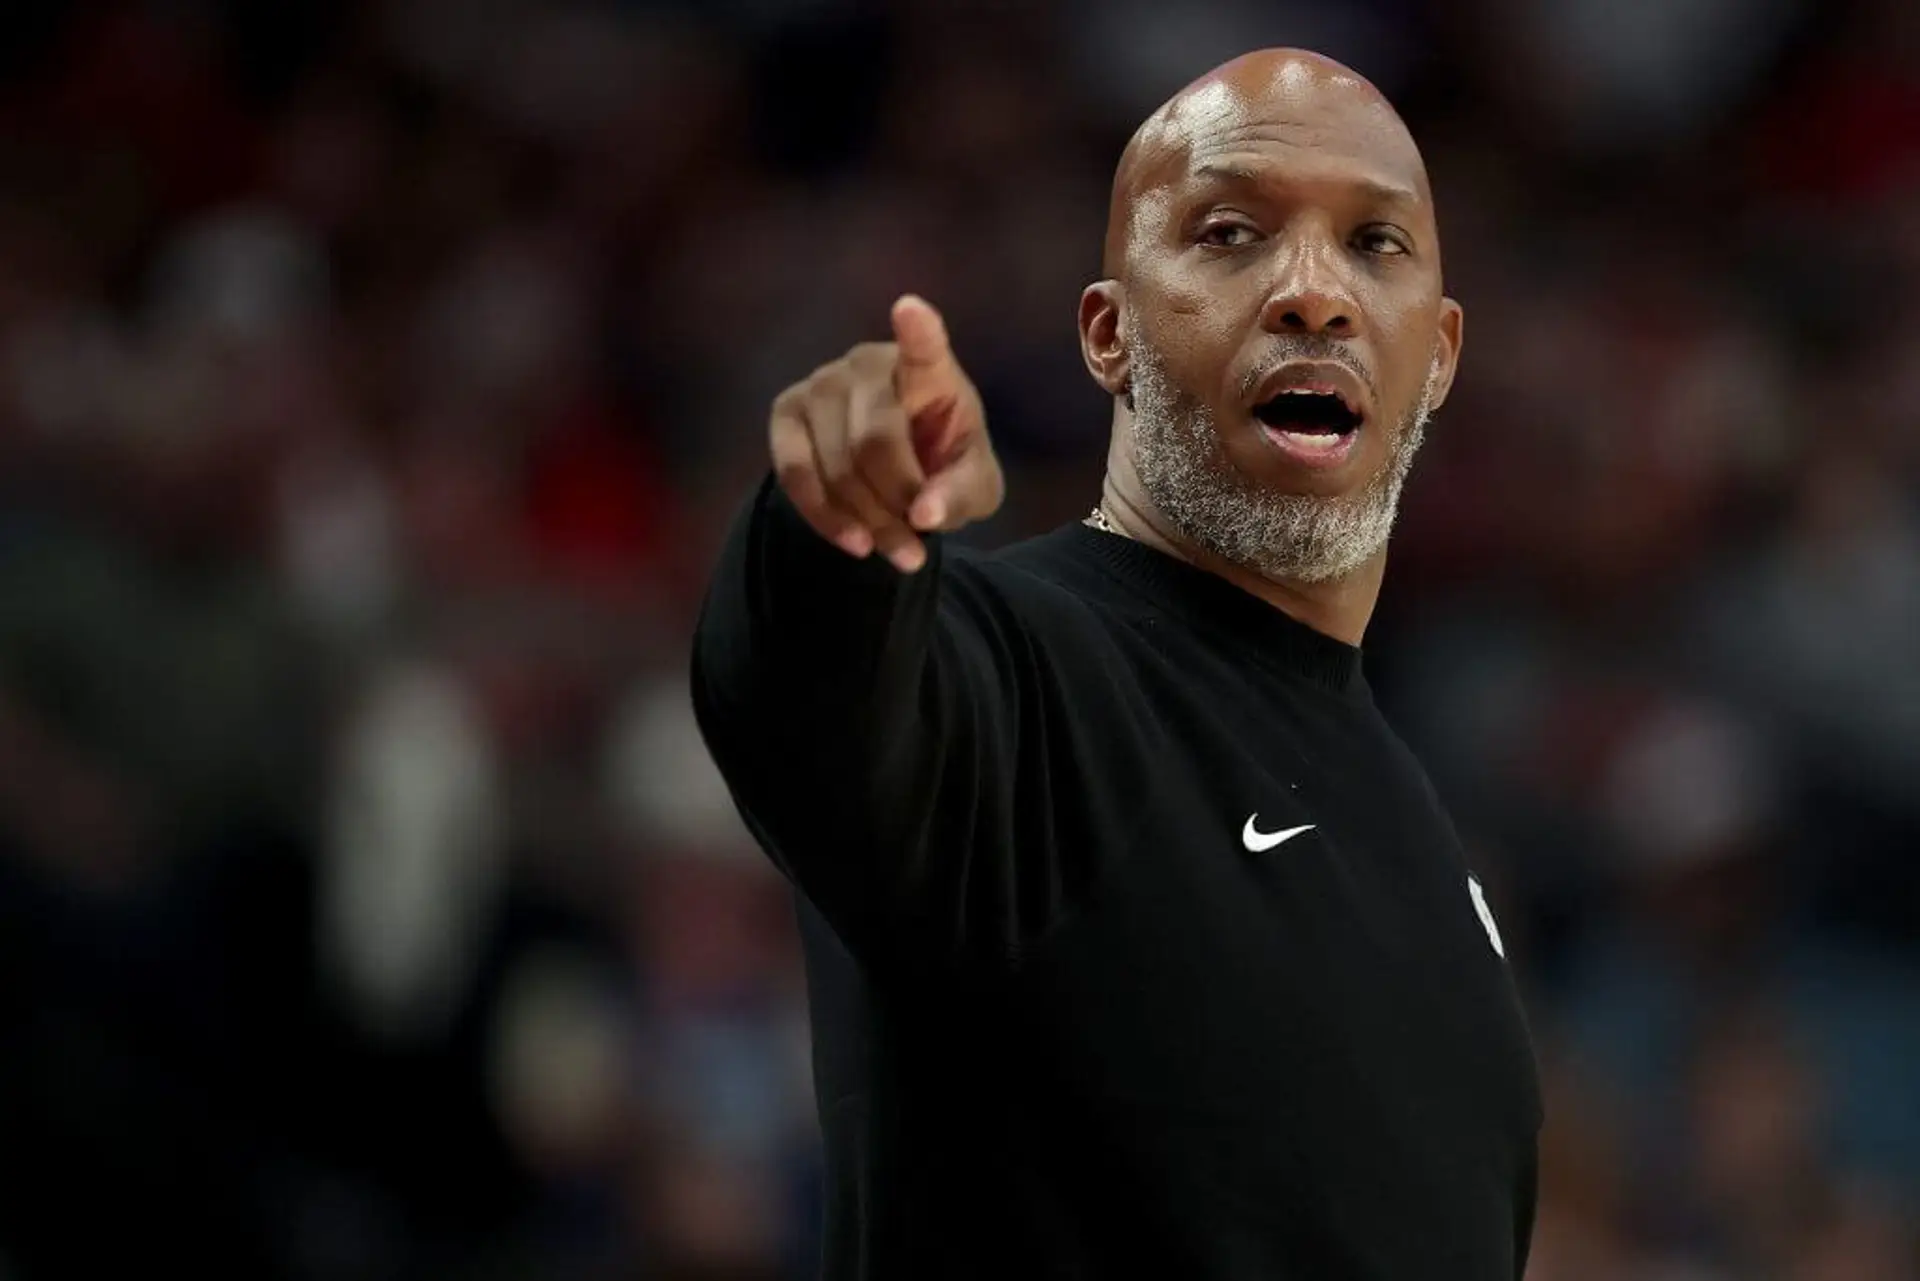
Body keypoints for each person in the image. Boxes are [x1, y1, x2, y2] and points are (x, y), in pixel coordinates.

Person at [691, 47, 1541, 1279]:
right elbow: (795, 692)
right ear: (1110, 331)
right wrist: (836, 521)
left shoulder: (1417, 819)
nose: (1315, 293)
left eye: (1375, 245)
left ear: (1443, 354)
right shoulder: (1018, 672)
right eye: (1234, 232)